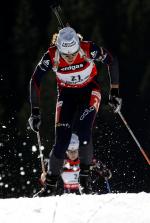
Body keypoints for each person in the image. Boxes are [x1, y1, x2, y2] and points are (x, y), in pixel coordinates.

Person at [29, 26, 122, 195]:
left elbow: (112, 61)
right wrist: (35, 111)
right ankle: (49, 188)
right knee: (62, 142)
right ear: (59, 50)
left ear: (78, 45)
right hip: (67, 95)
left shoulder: (88, 49)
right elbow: (35, 80)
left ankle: (85, 182)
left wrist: (114, 91)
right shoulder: (51, 55)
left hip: (89, 91)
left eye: (73, 54)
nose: (70, 58)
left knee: (83, 131)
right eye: (66, 55)